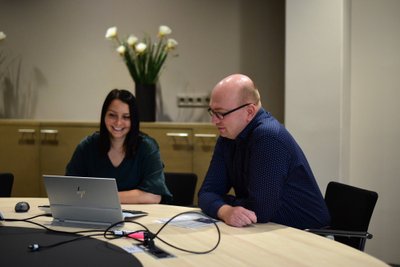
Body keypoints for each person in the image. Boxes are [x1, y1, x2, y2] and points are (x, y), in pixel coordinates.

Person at [198, 74, 330, 229]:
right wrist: (225, 210)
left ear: (249, 111)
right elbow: (206, 193)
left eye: (221, 113)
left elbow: (259, 211)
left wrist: (222, 200)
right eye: (212, 112)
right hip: (271, 229)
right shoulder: (228, 136)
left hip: (309, 236)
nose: (214, 120)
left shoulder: (269, 137)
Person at [66, 89, 172, 204]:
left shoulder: (147, 147)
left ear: (134, 120)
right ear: (104, 116)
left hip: (139, 218)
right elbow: (69, 188)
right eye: (112, 115)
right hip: (96, 216)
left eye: (126, 117)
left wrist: (100, 196)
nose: (118, 123)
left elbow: (153, 196)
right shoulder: (87, 146)